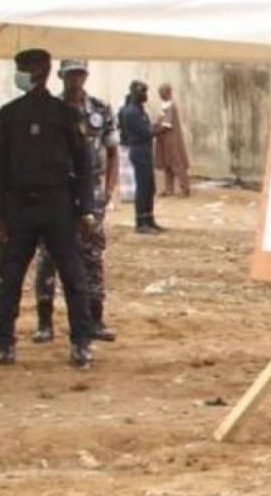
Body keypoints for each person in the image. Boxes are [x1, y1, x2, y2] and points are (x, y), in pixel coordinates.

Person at [0, 49, 98, 368]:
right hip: (18, 206)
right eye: (20, 68)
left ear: (44, 71)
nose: (21, 74)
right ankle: (4, 342)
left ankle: (81, 342)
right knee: (10, 278)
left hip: (58, 204)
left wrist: (85, 209)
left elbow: (84, 165)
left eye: (27, 68)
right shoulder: (8, 114)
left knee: (73, 276)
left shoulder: (65, 115)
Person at [31, 59, 118, 344]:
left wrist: (108, 190)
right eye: (70, 74)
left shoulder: (100, 110)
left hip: (90, 191)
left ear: (86, 75)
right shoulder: (48, 109)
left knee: (92, 254)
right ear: (60, 75)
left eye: (80, 74)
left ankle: (95, 319)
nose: (75, 79)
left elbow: (113, 152)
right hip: (55, 191)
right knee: (48, 256)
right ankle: (44, 323)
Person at [118, 81, 161, 233]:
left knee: (149, 187)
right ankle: (141, 222)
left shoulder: (139, 110)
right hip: (139, 150)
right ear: (135, 93)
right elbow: (145, 132)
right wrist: (158, 129)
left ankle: (149, 218)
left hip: (145, 150)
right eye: (143, 92)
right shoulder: (132, 112)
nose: (145, 95)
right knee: (143, 187)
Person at [153, 83, 191, 197]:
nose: (161, 94)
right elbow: (159, 120)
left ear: (169, 93)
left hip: (171, 139)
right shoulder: (164, 106)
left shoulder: (171, 107)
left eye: (163, 92)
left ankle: (185, 187)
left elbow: (166, 125)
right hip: (164, 139)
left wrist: (154, 131)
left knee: (176, 162)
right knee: (167, 164)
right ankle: (169, 188)